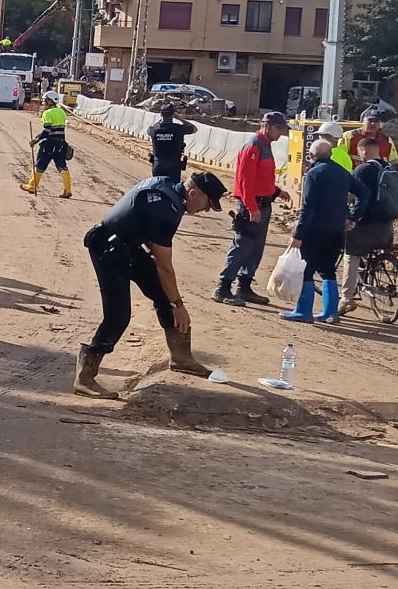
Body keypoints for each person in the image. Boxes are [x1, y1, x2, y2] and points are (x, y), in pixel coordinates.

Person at [75, 171, 227, 397]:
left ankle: (181, 357)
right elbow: (164, 267)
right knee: (118, 316)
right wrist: (179, 305)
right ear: (193, 193)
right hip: (108, 249)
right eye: (207, 203)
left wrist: (172, 299)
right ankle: (85, 377)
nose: (206, 210)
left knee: (163, 294)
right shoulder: (167, 211)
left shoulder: (166, 186)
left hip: (127, 246)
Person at [282, 136, 359, 325]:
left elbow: (308, 207)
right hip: (336, 231)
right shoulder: (342, 172)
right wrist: (352, 216)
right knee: (328, 271)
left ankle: (303, 311)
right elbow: (363, 192)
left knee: (307, 271)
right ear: (331, 154)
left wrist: (298, 235)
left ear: (311, 155)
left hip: (315, 230)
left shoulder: (314, 174)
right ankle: (330, 312)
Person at [214, 111, 288, 306]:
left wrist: (277, 191)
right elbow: (245, 181)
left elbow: (262, 177)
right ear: (268, 126)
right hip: (251, 206)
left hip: (263, 204)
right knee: (241, 247)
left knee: (256, 248)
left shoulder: (266, 146)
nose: (280, 133)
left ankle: (244, 286)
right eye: (278, 128)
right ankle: (223, 287)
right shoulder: (253, 146)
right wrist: (251, 207)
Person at [343, 136, 398, 308]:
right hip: (386, 225)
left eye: (359, 152)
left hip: (366, 224)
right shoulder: (390, 168)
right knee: (372, 250)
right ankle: (374, 272)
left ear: (364, 151)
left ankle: (346, 299)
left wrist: (350, 214)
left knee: (350, 256)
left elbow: (354, 196)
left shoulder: (362, 170)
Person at [20, 92, 72, 199]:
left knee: (39, 166)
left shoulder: (47, 113)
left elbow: (47, 130)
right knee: (62, 166)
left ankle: (31, 186)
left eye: (45, 100)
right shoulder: (61, 112)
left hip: (48, 145)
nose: (44, 103)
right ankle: (68, 189)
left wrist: (36, 140)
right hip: (61, 143)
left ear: (49, 101)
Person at [333, 107, 398, 172]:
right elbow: (340, 157)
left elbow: (394, 163)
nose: (373, 123)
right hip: (353, 177)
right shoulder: (349, 136)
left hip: (376, 178)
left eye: (376, 121)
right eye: (370, 120)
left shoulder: (386, 140)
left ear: (380, 124)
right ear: (363, 122)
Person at [147, 100, 193, 181]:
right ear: (172, 114)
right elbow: (194, 129)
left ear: (161, 114)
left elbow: (149, 129)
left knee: (158, 186)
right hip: (174, 165)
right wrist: (179, 118)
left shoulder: (154, 129)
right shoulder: (178, 128)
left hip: (158, 165)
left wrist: (160, 120)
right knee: (173, 188)